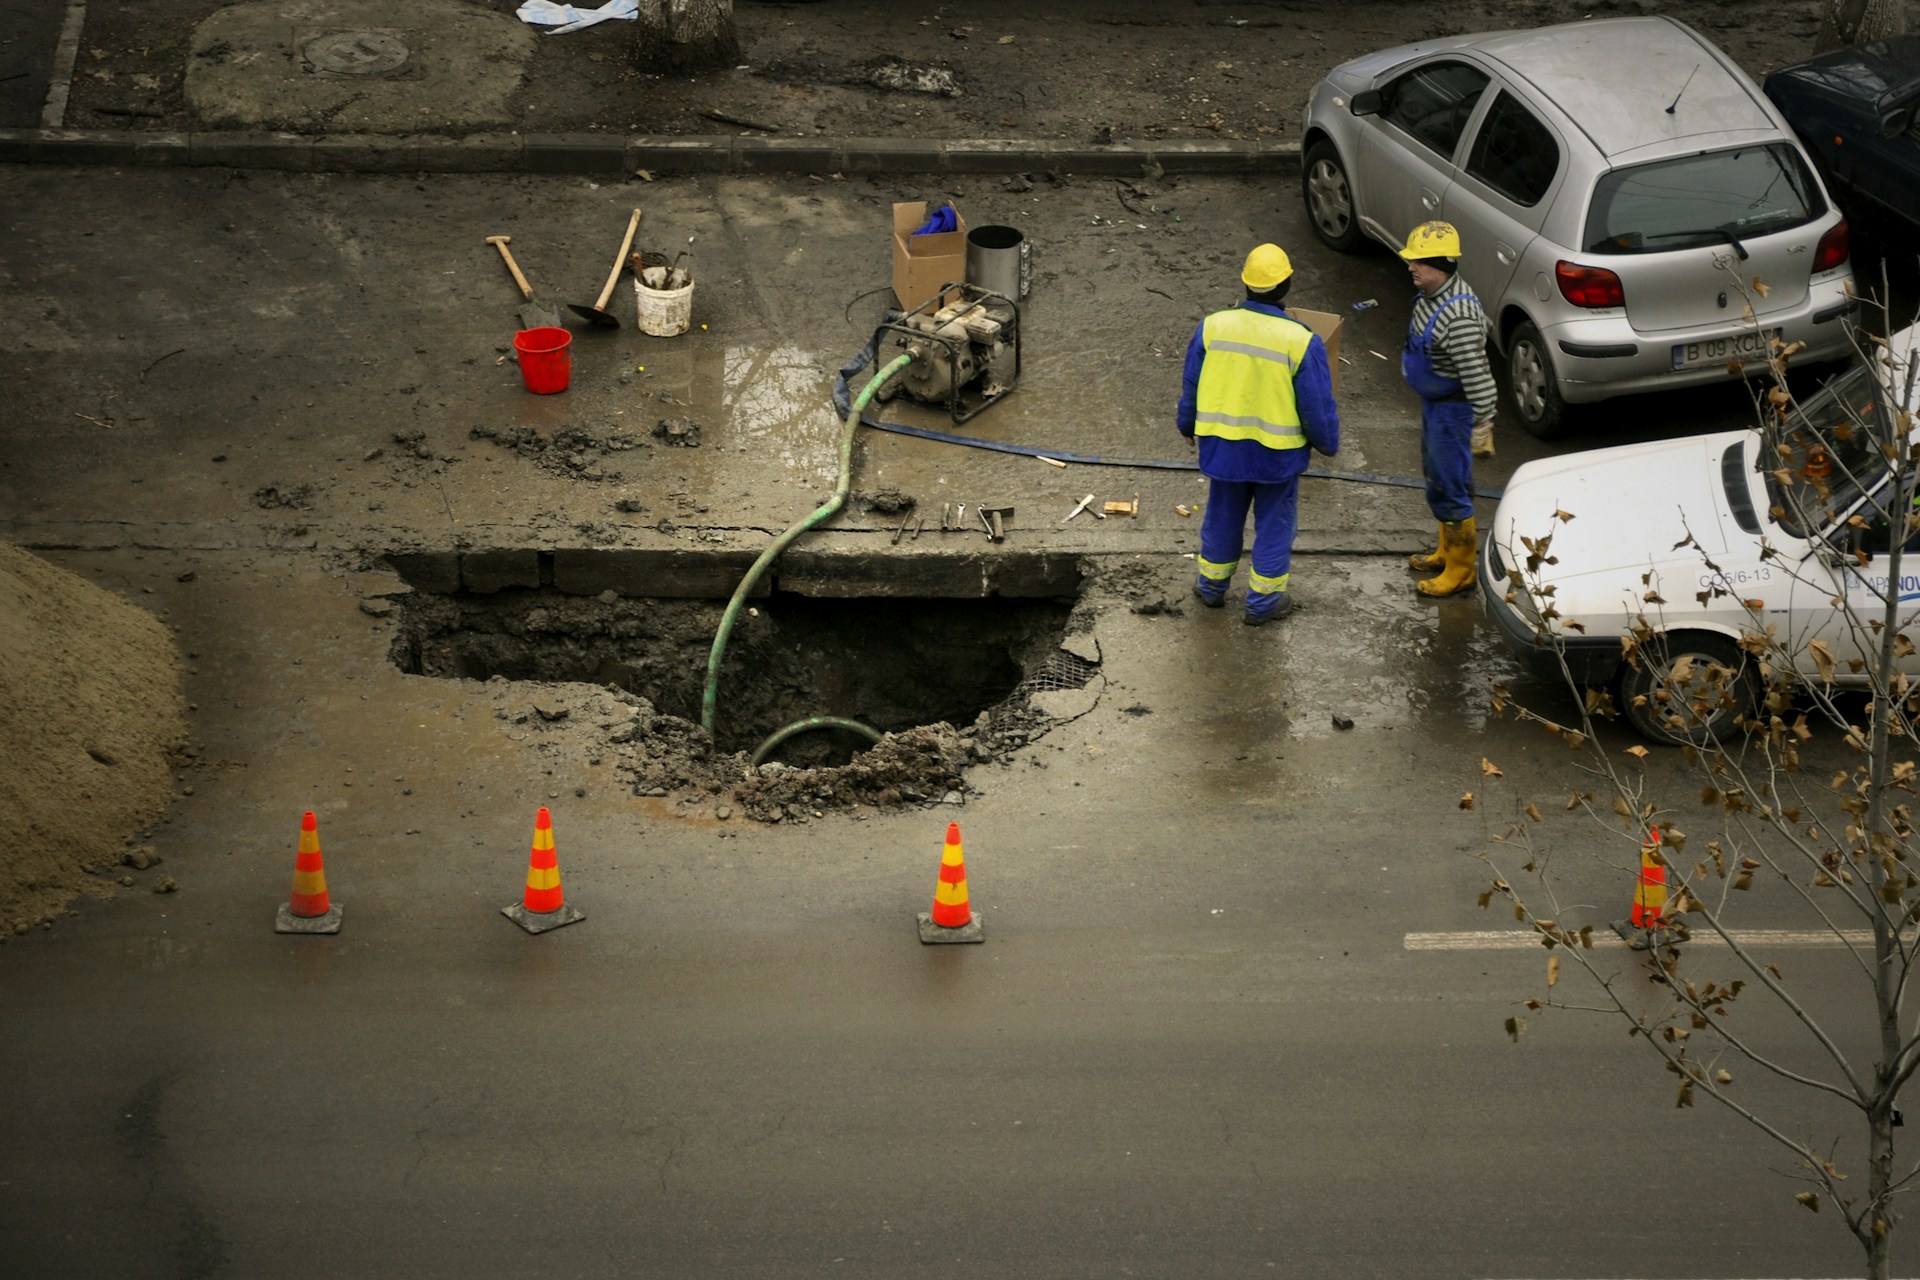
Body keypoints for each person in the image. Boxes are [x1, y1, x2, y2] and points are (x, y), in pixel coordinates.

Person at [1176, 243, 1341, 624]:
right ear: (1286, 285)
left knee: (1222, 516)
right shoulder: (1301, 339)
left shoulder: (1214, 326)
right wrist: (1327, 445)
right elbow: (1317, 406)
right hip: (1276, 455)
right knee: (1274, 525)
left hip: (1223, 449)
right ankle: (1263, 604)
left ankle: (1211, 587)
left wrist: (1187, 425)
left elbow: (1191, 385)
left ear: (1245, 283)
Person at [1398, 221, 1497, 598]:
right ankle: (1445, 550)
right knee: (1437, 479)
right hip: (1435, 406)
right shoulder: (1431, 294)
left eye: (1418, 262)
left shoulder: (1459, 317)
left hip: (1454, 414)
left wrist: (1482, 423)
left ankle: (1460, 569)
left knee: (1451, 487)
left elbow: (1479, 374)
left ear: (1440, 265)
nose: (1410, 267)